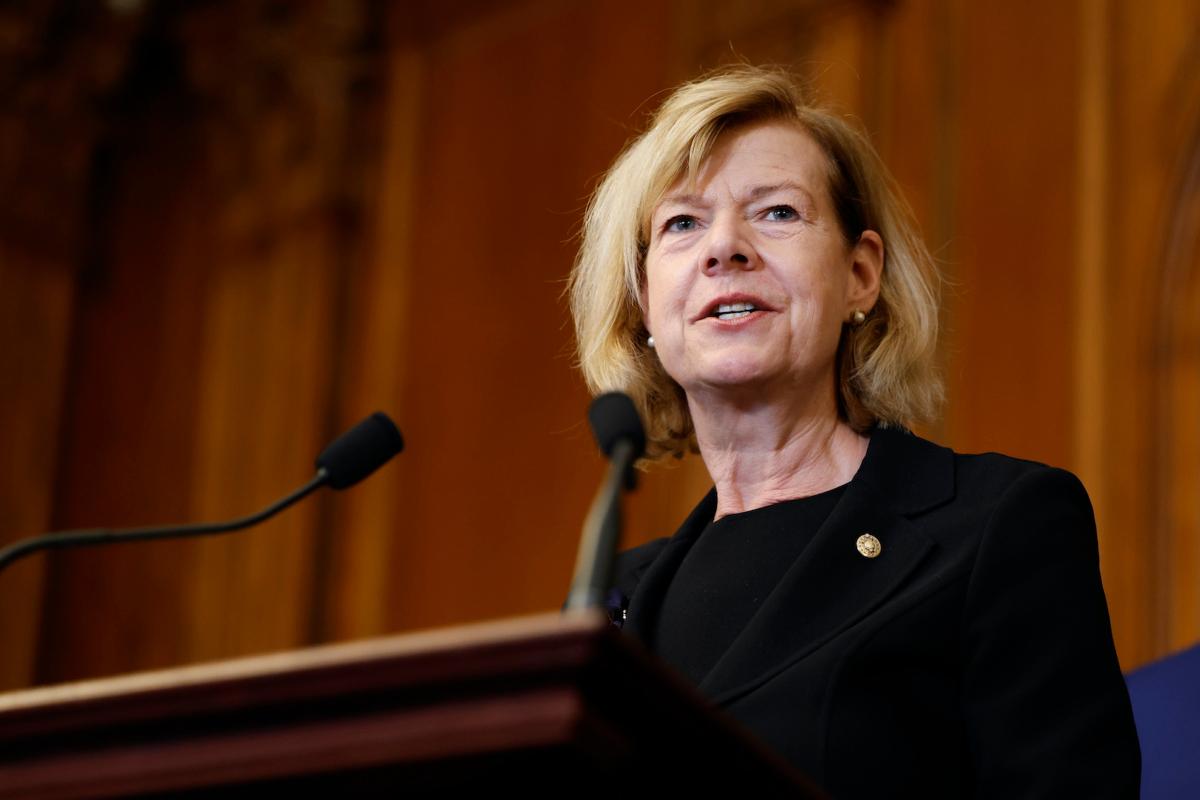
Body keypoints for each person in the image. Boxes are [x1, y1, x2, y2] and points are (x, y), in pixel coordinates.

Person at [567, 66, 1140, 798]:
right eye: (682, 223)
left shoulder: (998, 526)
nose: (724, 248)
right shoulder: (607, 602)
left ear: (860, 275)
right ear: (645, 305)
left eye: (775, 212)